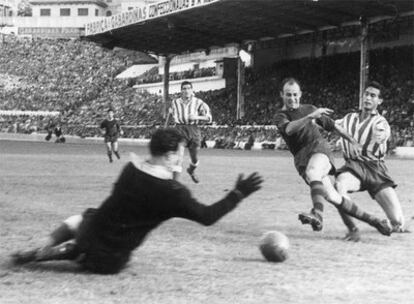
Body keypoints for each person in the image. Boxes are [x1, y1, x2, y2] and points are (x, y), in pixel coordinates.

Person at [11, 128, 263, 274]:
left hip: (91, 232)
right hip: (109, 261)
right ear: (169, 155)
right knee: (99, 245)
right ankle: (69, 252)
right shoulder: (174, 194)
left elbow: (143, 191)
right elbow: (207, 216)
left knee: (83, 216)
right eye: (179, 153)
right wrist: (237, 194)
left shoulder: (130, 170)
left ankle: (48, 246)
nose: (181, 157)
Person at [274, 78, 392, 236]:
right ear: (281, 95)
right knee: (333, 197)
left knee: (313, 172)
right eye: (288, 95)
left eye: (295, 94)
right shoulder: (280, 116)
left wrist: (352, 141)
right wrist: (310, 117)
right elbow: (289, 129)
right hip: (301, 158)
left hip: (318, 149)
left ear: (300, 94)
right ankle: (375, 222)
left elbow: (334, 126)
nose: (292, 98)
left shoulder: (309, 108)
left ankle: (317, 214)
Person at [335, 81, 408, 241]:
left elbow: (383, 133)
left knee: (397, 222)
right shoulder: (348, 119)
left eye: (373, 95)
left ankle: (391, 222)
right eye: (366, 94)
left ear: (379, 101)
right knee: (339, 186)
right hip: (353, 168)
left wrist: (380, 136)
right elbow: (330, 125)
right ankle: (353, 228)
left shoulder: (381, 123)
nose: (368, 98)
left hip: (376, 171)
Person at [166, 81, 212, 183]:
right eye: (184, 88)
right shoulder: (175, 102)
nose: (186, 91)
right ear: (181, 90)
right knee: (179, 157)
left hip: (193, 130)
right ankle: (175, 185)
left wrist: (197, 117)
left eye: (188, 88)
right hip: (180, 129)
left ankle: (191, 170)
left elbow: (209, 118)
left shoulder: (199, 102)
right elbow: (170, 115)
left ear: (192, 90)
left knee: (194, 158)